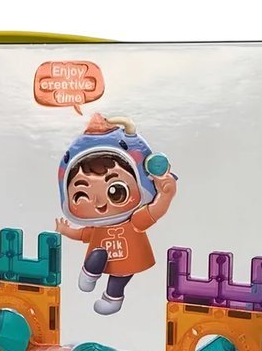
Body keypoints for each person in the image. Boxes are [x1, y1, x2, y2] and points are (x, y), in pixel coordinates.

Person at [54, 114, 177, 315]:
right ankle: (89, 273)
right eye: (82, 195)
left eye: (116, 190)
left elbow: (155, 210)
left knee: (118, 281)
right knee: (97, 256)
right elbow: (84, 234)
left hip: (128, 262)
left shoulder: (135, 221)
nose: (100, 204)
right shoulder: (99, 228)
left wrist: (166, 195)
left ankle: (112, 298)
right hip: (101, 257)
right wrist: (66, 230)